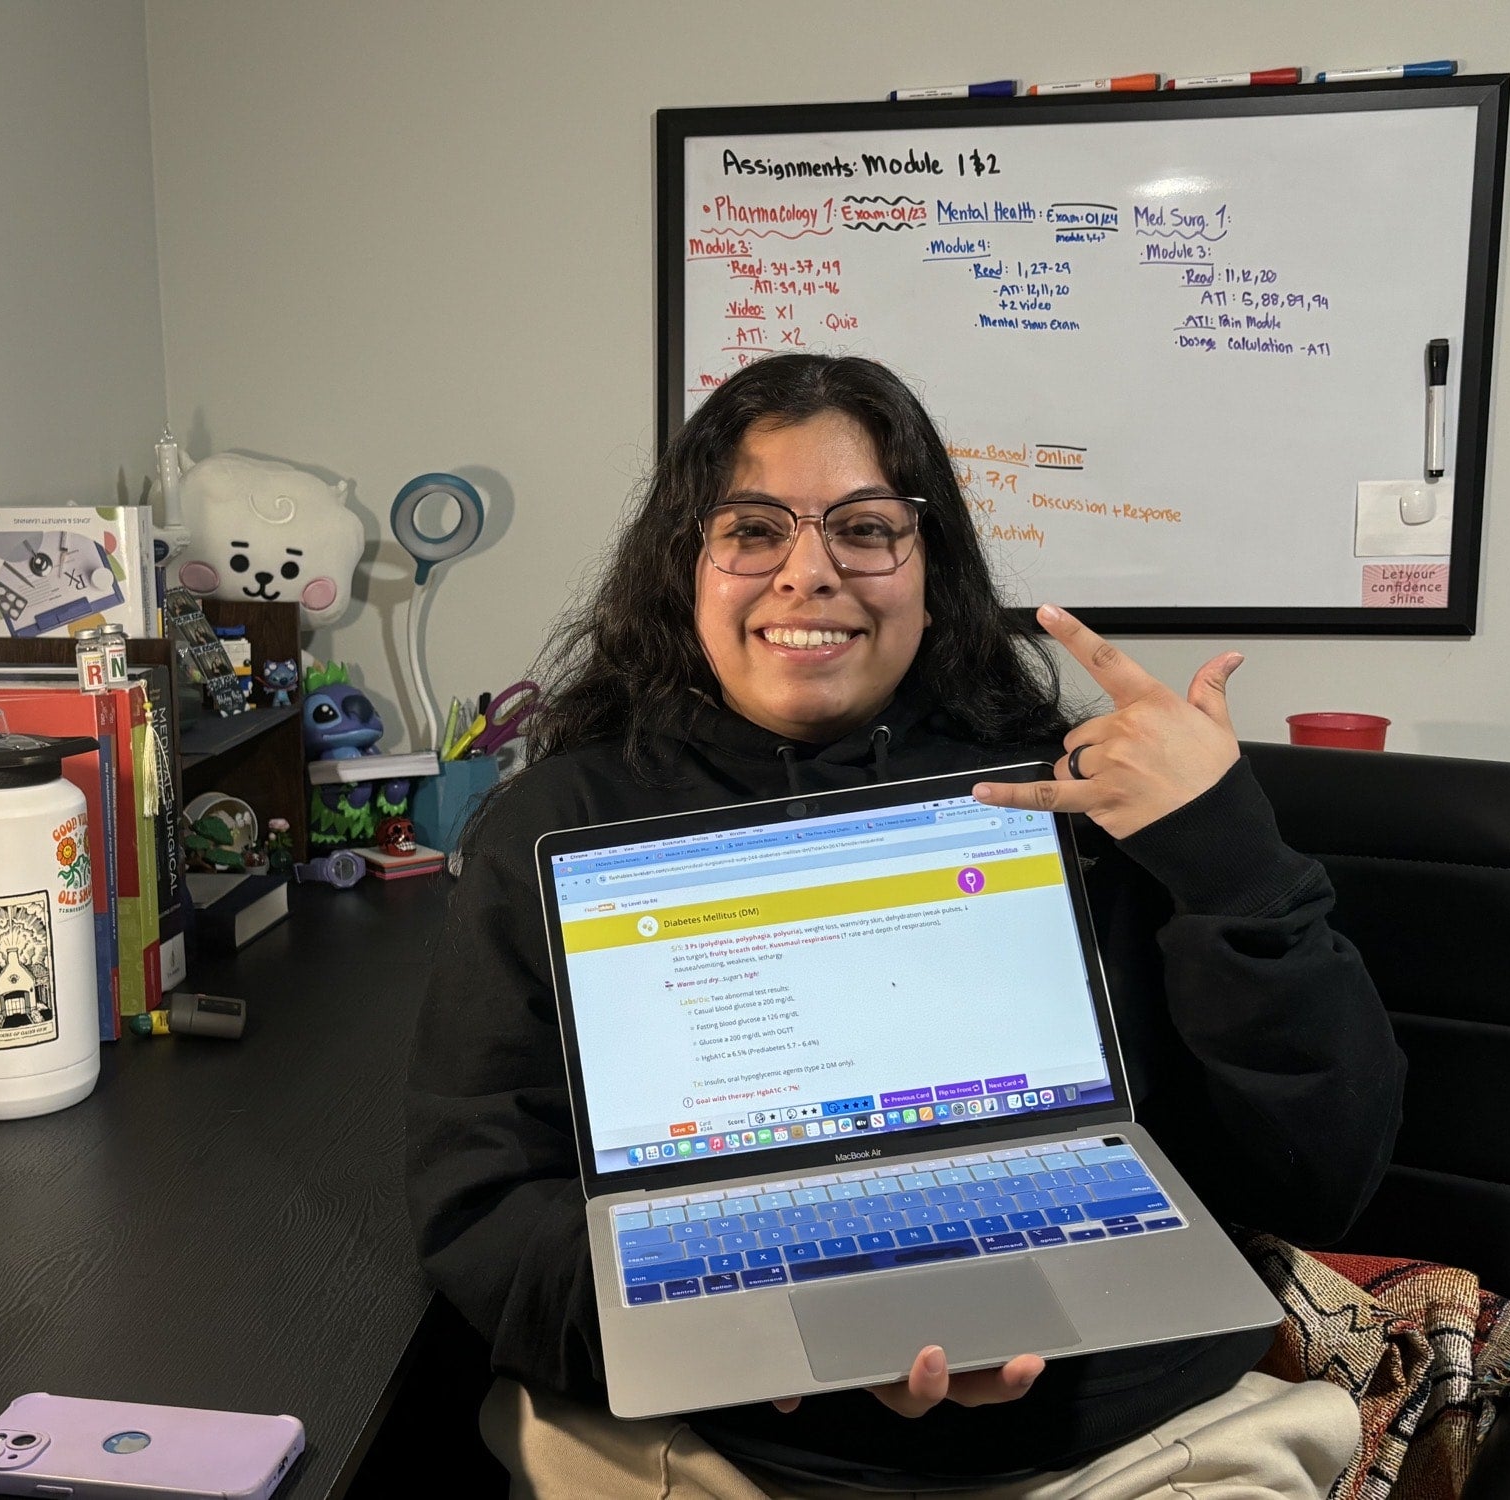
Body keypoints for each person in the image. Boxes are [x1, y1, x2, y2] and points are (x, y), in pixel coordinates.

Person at [405, 354, 1404, 1496]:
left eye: (865, 528)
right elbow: (479, 1207)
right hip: (725, 1451)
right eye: (751, 529)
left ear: (930, 567)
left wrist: (1229, 852)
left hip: (1123, 1445)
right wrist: (769, 1333)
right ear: (686, 564)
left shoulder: (1080, 796)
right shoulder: (559, 821)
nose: (807, 573)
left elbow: (1318, 1176)